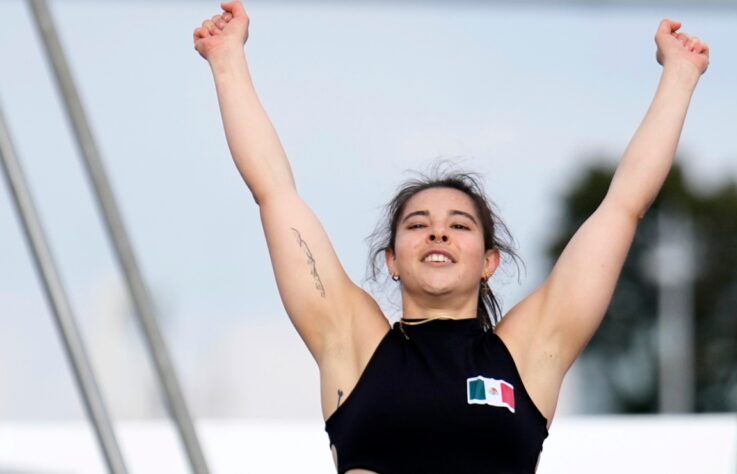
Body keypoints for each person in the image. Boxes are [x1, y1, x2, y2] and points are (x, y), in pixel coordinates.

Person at [193, 2, 709, 472]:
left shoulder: (529, 354)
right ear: (392, 260)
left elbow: (623, 208)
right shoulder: (351, 341)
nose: (437, 230)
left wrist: (680, 77)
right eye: (417, 225)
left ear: (489, 261)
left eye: (459, 225)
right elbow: (274, 192)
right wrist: (226, 60)